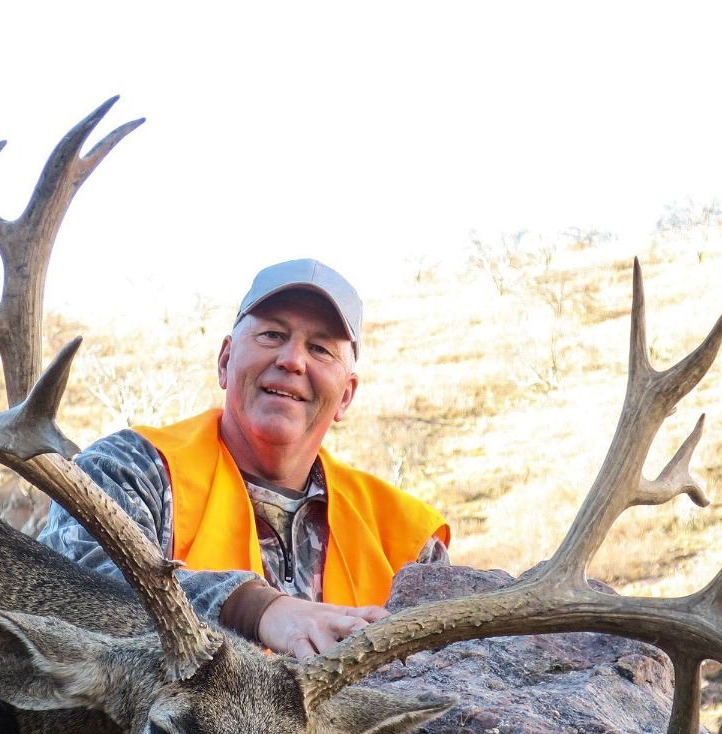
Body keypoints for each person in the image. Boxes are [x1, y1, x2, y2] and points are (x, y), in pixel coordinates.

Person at [39, 259, 450, 659]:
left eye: (320, 348)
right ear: (225, 361)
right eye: (272, 334)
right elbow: (70, 592)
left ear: (346, 396)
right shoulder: (129, 470)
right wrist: (257, 610)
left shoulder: (407, 542)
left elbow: (451, 670)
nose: (292, 360)